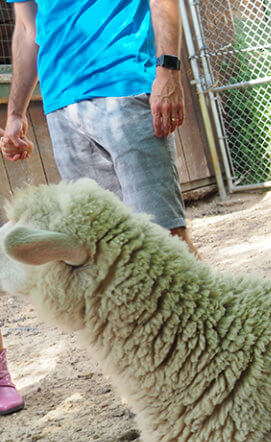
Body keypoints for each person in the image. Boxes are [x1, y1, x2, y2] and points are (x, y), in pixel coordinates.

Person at [0, 0, 200, 415]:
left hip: (125, 83)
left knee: (166, 240)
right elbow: (26, 28)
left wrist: (168, 69)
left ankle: (209, 367)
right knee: (104, 260)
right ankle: (155, 387)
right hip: (60, 106)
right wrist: (16, 112)